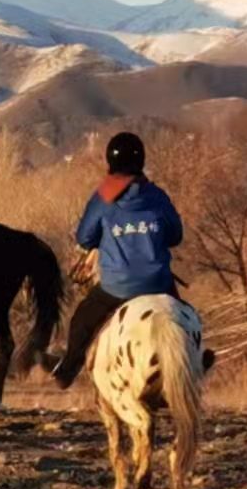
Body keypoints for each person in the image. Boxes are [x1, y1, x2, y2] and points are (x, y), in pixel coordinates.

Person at [52, 131, 183, 387]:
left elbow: (84, 237)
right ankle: (197, 361)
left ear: (110, 161)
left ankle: (66, 370)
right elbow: (176, 236)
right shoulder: (157, 196)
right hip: (158, 283)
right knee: (186, 318)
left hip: (116, 286)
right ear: (141, 160)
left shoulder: (103, 198)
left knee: (82, 321)